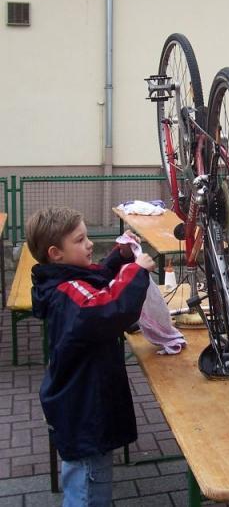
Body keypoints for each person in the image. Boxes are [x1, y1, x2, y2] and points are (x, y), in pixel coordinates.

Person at [27, 207, 156, 507]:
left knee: (87, 483)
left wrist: (119, 258)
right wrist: (136, 272)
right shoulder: (67, 292)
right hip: (83, 414)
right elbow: (105, 307)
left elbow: (97, 278)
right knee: (88, 490)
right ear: (56, 253)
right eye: (81, 239)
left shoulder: (68, 279)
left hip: (83, 408)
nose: (89, 245)